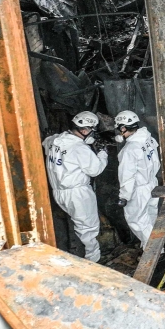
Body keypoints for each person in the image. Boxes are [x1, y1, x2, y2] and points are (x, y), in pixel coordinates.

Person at [43, 111, 108, 262]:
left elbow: (47, 141)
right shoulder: (80, 149)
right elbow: (95, 170)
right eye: (92, 130)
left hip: (59, 192)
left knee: (77, 224)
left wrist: (47, 137)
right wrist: (102, 153)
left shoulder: (55, 140)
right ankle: (94, 261)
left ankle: (79, 254)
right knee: (88, 228)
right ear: (85, 131)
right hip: (78, 194)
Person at [114, 111, 160, 249]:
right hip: (152, 183)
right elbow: (156, 160)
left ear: (123, 128)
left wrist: (124, 196)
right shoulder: (148, 138)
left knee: (137, 220)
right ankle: (156, 247)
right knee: (151, 216)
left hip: (139, 189)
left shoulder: (129, 150)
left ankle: (153, 251)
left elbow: (127, 176)